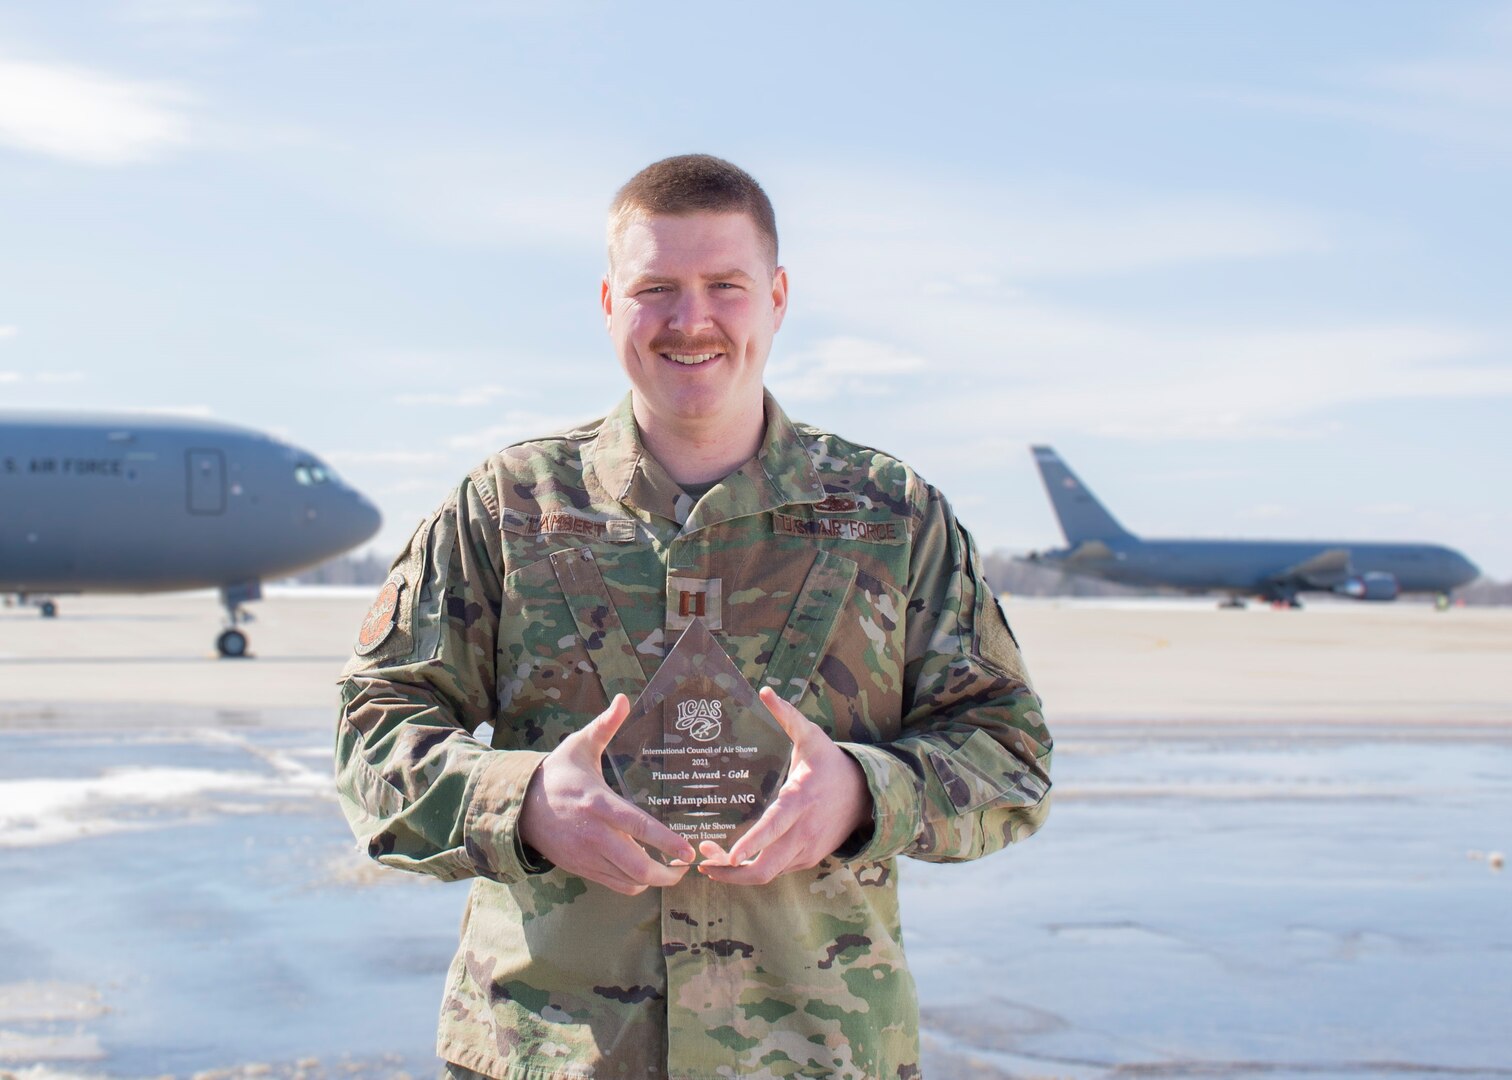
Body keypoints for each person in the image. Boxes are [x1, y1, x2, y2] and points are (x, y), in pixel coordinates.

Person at [335, 154, 1052, 1080]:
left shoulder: (888, 516)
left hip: (813, 1052)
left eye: (726, 286)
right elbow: (371, 737)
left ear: (778, 297)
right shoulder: (507, 510)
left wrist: (865, 794)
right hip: (550, 1052)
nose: (691, 320)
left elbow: (1013, 753)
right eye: (656, 288)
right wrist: (525, 807)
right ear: (608, 303)